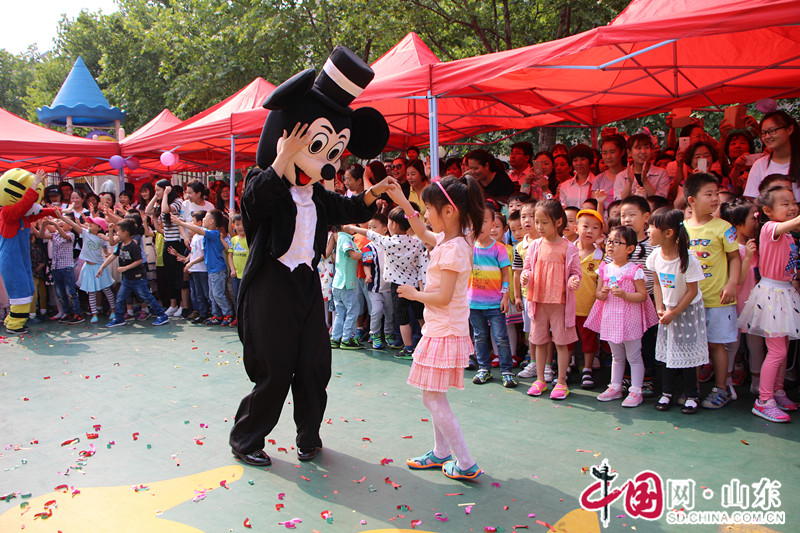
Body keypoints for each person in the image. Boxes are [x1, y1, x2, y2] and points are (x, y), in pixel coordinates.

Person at [388, 175, 486, 481]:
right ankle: (441, 453)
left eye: (429, 208)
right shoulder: (453, 240)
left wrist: (415, 294)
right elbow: (422, 232)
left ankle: (466, 462)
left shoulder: (454, 248)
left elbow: (443, 297)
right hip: (442, 329)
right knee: (435, 395)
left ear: (449, 211)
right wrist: (405, 203)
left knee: (432, 398)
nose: (426, 214)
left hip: (443, 330)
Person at [738, 183, 800, 422]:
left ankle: (777, 390)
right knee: (777, 350)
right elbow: (792, 223)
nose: (792, 207)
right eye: (785, 204)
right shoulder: (770, 229)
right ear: (767, 211)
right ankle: (764, 400)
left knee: (782, 350)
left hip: (784, 293)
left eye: (793, 202)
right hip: (773, 294)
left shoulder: (788, 236)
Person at [683, 173, 741, 409]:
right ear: (692, 200)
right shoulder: (682, 228)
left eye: (716, 193)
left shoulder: (724, 228)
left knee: (717, 345)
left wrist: (731, 284)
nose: (715, 198)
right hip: (691, 299)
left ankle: (721, 389)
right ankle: (693, 390)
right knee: (694, 345)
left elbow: (735, 258)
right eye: (709, 194)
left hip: (718, 298)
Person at [586, 226, 659, 408]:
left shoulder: (634, 270)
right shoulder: (604, 268)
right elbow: (598, 295)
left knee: (634, 356)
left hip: (630, 319)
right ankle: (615, 387)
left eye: (617, 242)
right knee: (617, 356)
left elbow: (642, 295)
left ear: (630, 249)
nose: (611, 245)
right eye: (609, 241)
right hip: (611, 319)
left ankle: (636, 390)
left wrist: (626, 295)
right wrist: (602, 292)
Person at [648, 208, 708, 414]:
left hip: (686, 311)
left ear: (668, 233)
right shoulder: (655, 255)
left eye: (652, 227)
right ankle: (666, 393)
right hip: (667, 310)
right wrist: (660, 307)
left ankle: (692, 394)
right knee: (666, 354)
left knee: (687, 353)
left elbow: (693, 291)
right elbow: (656, 283)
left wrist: (675, 311)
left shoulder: (687, 259)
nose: (648, 231)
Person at [520, 199, 581, 400]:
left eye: (544, 222)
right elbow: (527, 267)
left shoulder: (568, 247)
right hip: (538, 300)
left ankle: (561, 381)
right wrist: (525, 276)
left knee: (561, 343)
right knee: (539, 341)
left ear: (558, 222)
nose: (539, 227)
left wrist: (574, 280)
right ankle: (540, 379)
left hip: (560, 303)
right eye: (537, 222)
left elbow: (576, 272)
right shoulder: (535, 245)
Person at [348, 207, 425, 359]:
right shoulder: (416, 242)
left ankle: (408, 348)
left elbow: (370, 234)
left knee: (403, 320)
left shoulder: (388, 242)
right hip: (415, 285)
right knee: (420, 316)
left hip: (398, 287)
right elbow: (421, 262)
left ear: (394, 225)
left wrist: (351, 228)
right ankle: (429, 344)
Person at [469, 206, 516, 388]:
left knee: (501, 337)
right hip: (474, 304)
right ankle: (484, 369)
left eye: (485, 222)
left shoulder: (499, 249)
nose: (480, 226)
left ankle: (506, 371)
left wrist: (505, 297)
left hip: (495, 304)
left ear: (493, 224)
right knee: (479, 336)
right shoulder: (469, 248)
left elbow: (506, 274)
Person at [720, 198, 763, 396]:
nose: (757, 221)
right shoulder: (733, 250)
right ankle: (726, 380)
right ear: (738, 223)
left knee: (757, 345)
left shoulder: (754, 246)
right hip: (735, 304)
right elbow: (738, 280)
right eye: (753, 217)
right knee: (732, 344)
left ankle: (757, 381)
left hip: (756, 305)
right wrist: (748, 259)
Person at [100, 219, 170, 327]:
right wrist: (102, 267)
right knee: (120, 297)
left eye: (118, 231)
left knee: (146, 296)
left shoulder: (133, 245)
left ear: (126, 232)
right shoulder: (121, 244)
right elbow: (113, 255)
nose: (117, 233)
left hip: (138, 278)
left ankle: (162, 315)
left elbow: (139, 261)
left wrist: (125, 268)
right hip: (127, 279)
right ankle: (119, 318)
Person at [174, 209, 234, 326]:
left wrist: (180, 223)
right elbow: (195, 227)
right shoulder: (208, 232)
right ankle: (217, 315)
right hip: (212, 270)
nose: (203, 220)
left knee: (218, 294)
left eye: (205, 218)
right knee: (212, 295)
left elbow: (197, 228)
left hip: (218, 269)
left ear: (211, 221)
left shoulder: (214, 233)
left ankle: (229, 314)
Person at [57, 212, 116, 324]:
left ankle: (113, 310)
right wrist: (61, 217)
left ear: (99, 227)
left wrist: (107, 250)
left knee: (107, 290)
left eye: (93, 223)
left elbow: (109, 244)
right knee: (91, 292)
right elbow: (74, 225)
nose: (89, 224)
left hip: (99, 266)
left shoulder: (102, 238)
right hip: (88, 267)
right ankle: (94, 314)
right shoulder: (85, 233)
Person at [573, 209, 604, 389]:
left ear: (601, 232)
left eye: (595, 227)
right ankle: (568, 365)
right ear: (576, 228)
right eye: (585, 226)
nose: (590, 231)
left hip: (589, 308)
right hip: (568, 306)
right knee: (567, 338)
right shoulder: (568, 250)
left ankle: (587, 368)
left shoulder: (601, 256)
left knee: (589, 340)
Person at [145, 180, 185, 317]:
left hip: (177, 242)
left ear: (167, 189)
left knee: (178, 274)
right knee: (169, 275)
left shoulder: (177, 201)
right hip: (167, 242)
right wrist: (156, 197)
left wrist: (166, 194)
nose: (156, 193)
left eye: (158, 190)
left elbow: (165, 211)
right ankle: (172, 304)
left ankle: (181, 304)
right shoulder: (160, 201)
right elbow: (148, 210)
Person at [744, 111, 800, 201]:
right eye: (763, 133)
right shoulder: (759, 165)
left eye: (772, 131)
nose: (767, 136)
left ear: (789, 129)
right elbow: (753, 201)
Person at [361, 214, 396, 350]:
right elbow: (366, 263)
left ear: (385, 229)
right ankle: (374, 334)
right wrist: (368, 275)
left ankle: (388, 334)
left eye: (374, 227)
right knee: (376, 311)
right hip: (374, 288)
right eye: (369, 227)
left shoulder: (390, 243)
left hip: (388, 287)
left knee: (390, 311)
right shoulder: (368, 248)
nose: (370, 230)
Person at [39, 218, 83, 324]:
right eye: (58, 223)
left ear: (70, 226)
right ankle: (67, 313)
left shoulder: (71, 235)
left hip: (67, 267)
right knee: (60, 294)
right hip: (56, 267)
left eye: (62, 222)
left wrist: (55, 224)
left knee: (70, 292)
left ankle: (78, 314)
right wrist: (43, 226)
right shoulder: (54, 235)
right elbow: (41, 236)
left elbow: (65, 236)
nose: (60, 223)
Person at [328, 225, 362, 348]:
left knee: (340, 312)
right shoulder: (346, 239)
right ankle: (347, 338)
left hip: (338, 283)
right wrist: (366, 253)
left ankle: (335, 338)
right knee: (352, 310)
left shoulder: (341, 238)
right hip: (346, 283)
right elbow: (353, 255)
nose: (355, 226)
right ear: (343, 225)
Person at [178, 210, 211, 324]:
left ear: (200, 222)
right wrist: (187, 260)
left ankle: (211, 312)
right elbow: (193, 253)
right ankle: (202, 313)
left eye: (193, 220)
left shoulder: (202, 237)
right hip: (195, 269)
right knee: (198, 293)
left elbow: (203, 254)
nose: (191, 223)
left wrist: (191, 263)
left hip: (202, 269)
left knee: (206, 293)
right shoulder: (195, 237)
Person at [617, 134, 670, 200]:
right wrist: (629, 183)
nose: (643, 151)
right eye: (638, 148)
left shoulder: (661, 173)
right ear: (629, 152)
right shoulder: (621, 176)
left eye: (647, 147)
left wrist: (645, 181)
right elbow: (619, 204)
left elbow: (661, 202)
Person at [592, 134, 628, 212]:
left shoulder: (630, 175)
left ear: (622, 152)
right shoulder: (599, 179)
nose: (608, 156)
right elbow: (594, 206)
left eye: (612, 152)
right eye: (605, 153)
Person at [228, 214, 249, 314]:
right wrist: (232, 269)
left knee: (247, 296)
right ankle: (238, 317)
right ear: (233, 226)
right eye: (237, 224)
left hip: (247, 274)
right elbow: (230, 255)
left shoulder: (250, 239)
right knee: (237, 296)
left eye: (242, 224)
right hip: (236, 274)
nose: (240, 227)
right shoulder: (234, 240)